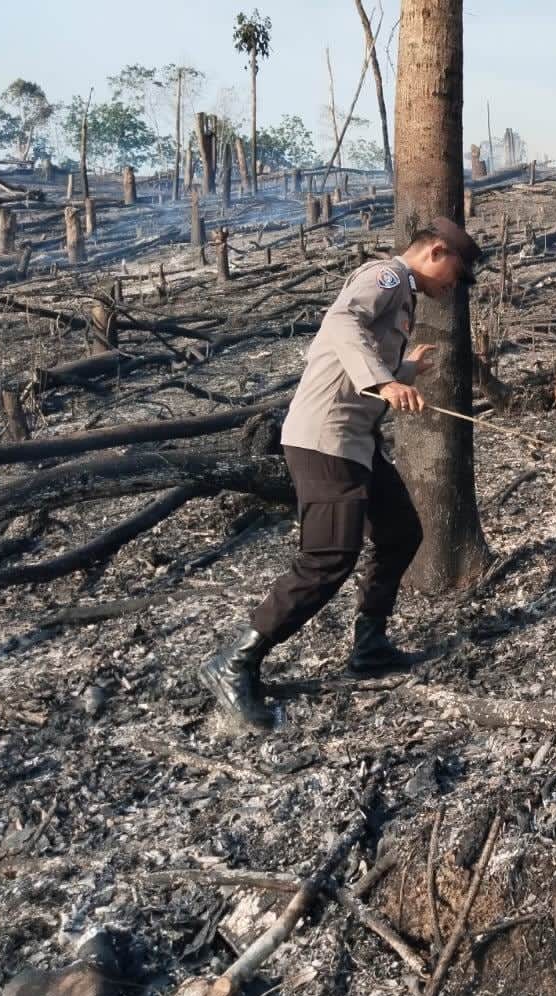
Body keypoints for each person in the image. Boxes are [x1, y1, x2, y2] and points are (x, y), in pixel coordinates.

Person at [199, 216, 481, 730]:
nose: (454, 287)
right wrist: (384, 382)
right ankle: (236, 660)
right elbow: (341, 325)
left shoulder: (403, 295)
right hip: (325, 439)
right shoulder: (385, 277)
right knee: (328, 557)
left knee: (400, 531)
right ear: (437, 252)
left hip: (356, 442)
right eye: (457, 275)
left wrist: (405, 372)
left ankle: (369, 646)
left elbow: (355, 359)